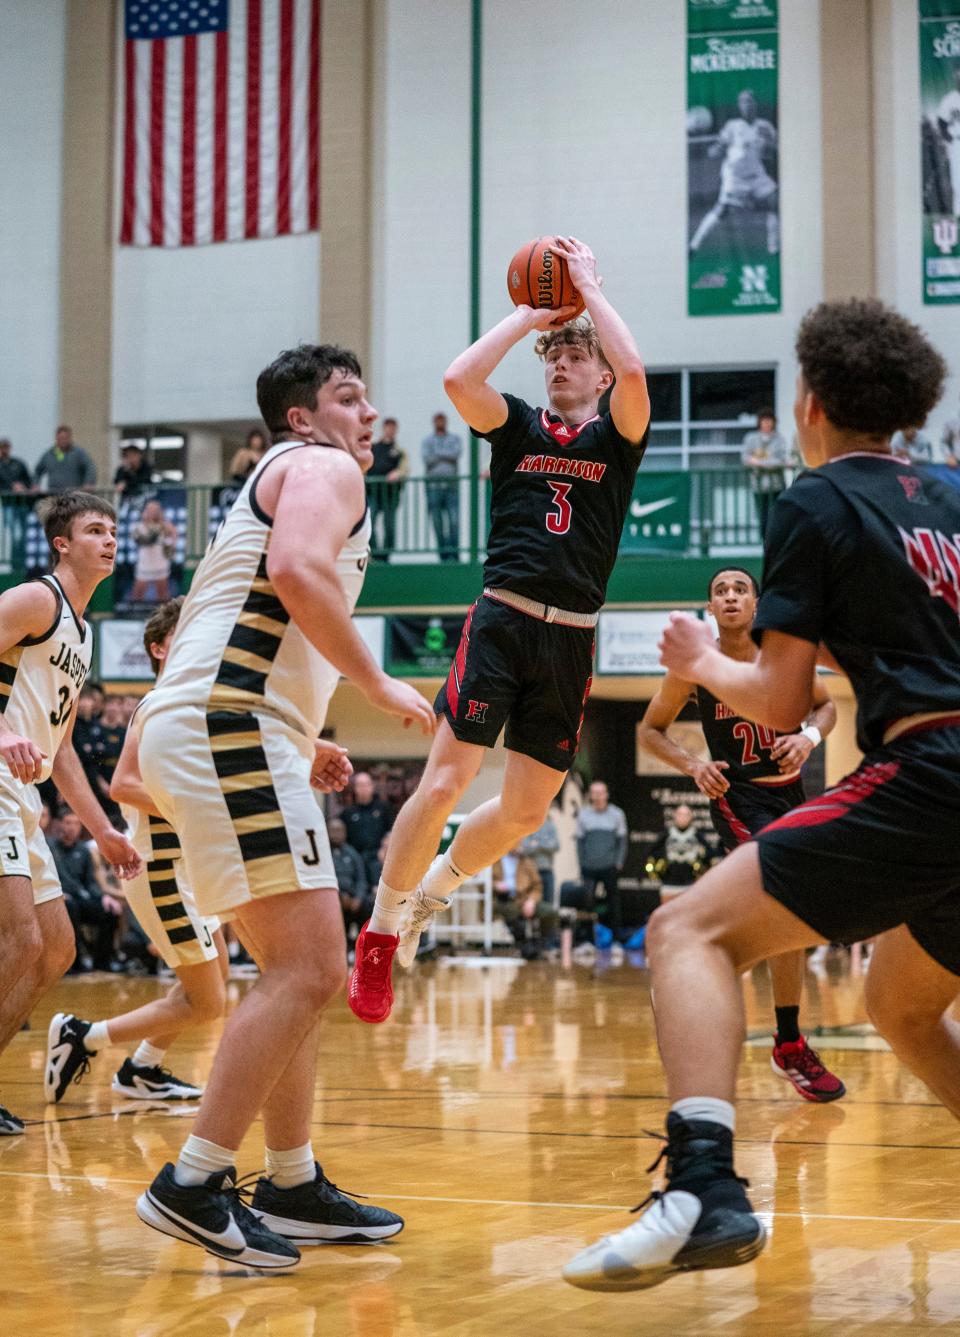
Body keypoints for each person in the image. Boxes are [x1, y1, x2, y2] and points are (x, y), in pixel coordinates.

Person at [563, 297, 957, 1293]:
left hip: (932, 770)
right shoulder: (953, 493)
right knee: (900, 1006)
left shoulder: (814, 500)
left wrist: (702, 657)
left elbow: (783, 701)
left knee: (689, 929)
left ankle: (702, 1186)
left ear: (810, 402)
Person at [132, 343, 435, 1268]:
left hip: (230, 724)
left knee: (290, 967)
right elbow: (300, 571)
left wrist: (305, 738)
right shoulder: (322, 465)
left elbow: (241, 617)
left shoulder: (286, 474)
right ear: (302, 416)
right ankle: (190, 1182)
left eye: (368, 396)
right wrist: (377, 680)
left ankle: (294, 1181)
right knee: (309, 967)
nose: (369, 411)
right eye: (349, 397)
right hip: (230, 725)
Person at [350, 235, 651, 1023]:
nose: (559, 362)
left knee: (524, 811)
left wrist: (588, 285)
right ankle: (379, 934)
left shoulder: (617, 438)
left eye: (575, 353)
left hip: (573, 635)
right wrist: (527, 314)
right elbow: (459, 377)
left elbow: (640, 372)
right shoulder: (516, 426)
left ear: (602, 373)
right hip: (503, 619)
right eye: (552, 354)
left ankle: (430, 897)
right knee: (445, 780)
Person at [637, 566, 844, 1102]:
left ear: (756, 603)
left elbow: (827, 706)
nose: (730, 597)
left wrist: (808, 738)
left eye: (739, 590)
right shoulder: (697, 666)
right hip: (738, 797)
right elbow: (649, 730)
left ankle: (786, 1037)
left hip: (789, 792)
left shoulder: (780, 651)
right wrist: (691, 766)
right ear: (710, 608)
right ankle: (776, 1035)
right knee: (777, 899)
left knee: (792, 918)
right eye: (720, 591)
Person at [44, 597, 226, 1106]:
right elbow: (123, 784)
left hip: (192, 867)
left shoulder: (193, 704)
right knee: (208, 1002)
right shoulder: (159, 702)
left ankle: (141, 1071)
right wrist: (197, 805)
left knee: (212, 984)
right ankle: (84, 1036)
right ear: (159, 648)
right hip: (162, 866)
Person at [0, 491, 140, 1135]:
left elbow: (62, 754)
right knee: (21, 941)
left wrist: (104, 829)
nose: (110, 540)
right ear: (63, 543)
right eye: (94, 530)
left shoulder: (81, 634)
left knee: (55, 949)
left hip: (23, 792)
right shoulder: (36, 599)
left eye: (114, 531)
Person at [689, 89, 779, 259]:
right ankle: (693, 247)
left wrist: (769, 145)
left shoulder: (765, 126)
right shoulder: (733, 126)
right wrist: (714, 151)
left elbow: (773, 150)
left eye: (749, 101)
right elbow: (717, 148)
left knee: (776, 203)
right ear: (739, 106)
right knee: (722, 210)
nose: (746, 105)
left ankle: (774, 248)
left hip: (757, 175)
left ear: (755, 104)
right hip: (735, 176)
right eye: (742, 102)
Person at [47, 809, 124, 971]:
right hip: (59, 900)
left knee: (111, 910)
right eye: (68, 822)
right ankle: (76, 963)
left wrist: (104, 897)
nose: (72, 827)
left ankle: (102, 962)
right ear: (60, 824)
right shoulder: (49, 846)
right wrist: (57, 894)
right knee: (70, 907)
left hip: (81, 898)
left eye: (76, 823)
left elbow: (90, 882)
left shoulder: (83, 850)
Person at [576, 781, 628, 940]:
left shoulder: (617, 814)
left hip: (609, 866)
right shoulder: (583, 815)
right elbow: (579, 843)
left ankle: (616, 939)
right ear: (590, 795)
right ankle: (587, 939)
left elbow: (622, 841)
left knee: (613, 903)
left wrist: (619, 861)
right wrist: (582, 863)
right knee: (587, 902)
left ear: (606, 794)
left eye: (601, 793)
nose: (598, 796)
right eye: (594, 793)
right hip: (589, 867)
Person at [741, 409, 793, 539]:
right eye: (764, 420)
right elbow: (745, 458)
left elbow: (780, 459)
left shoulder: (779, 439)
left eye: (769, 420)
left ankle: (777, 540)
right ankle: (764, 542)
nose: (767, 423)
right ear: (760, 422)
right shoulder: (751, 438)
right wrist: (767, 463)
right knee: (763, 516)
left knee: (777, 515)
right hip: (758, 484)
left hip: (777, 484)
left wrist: (759, 462)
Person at [339, 771, 394, 884]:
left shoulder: (383, 808)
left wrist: (384, 850)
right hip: (355, 857)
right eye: (360, 785)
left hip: (378, 857)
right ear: (355, 788)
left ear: (372, 786)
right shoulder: (348, 812)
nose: (364, 788)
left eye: (366, 784)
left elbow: (391, 832)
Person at [422, 412, 462, 562]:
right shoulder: (427, 441)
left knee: (454, 520)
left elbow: (456, 454)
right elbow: (427, 458)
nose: (440, 423)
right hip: (433, 487)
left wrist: (437, 454)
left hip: (451, 486)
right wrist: (446, 455)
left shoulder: (454, 439)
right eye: (437, 420)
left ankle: (454, 553)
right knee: (437, 522)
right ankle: (443, 555)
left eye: (442, 420)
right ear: (434, 422)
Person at [647, 803, 710, 898]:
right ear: (675, 816)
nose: (682, 817)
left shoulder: (697, 836)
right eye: (680, 814)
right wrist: (657, 871)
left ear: (691, 816)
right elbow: (651, 855)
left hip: (691, 884)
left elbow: (710, 857)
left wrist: (700, 870)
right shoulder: (667, 835)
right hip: (669, 884)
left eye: (686, 814)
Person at [367, 418, 407, 560]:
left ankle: (385, 555)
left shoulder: (399, 451)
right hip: (373, 492)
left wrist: (397, 473)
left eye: (393, 428)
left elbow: (405, 468)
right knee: (369, 522)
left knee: (389, 526)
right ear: (383, 428)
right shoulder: (372, 447)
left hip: (390, 495)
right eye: (388, 427)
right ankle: (375, 553)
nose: (390, 430)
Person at [329, 818, 370, 942]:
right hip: (334, 899)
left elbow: (361, 880)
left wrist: (358, 898)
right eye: (334, 830)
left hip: (353, 899)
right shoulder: (324, 854)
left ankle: (363, 947)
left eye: (340, 830)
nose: (337, 833)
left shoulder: (352, 854)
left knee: (368, 906)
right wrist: (340, 897)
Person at [131, 498, 178, 602]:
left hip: (160, 561)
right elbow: (137, 539)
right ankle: (133, 612)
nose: (152, 512)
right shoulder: (139, 526)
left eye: (155, 509)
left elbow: (174, 535)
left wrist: (170, 546)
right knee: (138, 592)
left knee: (162, 591)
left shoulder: (165, 525)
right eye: (150, 509)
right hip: (145, 561)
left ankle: (165, 614)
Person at [33, 426, 97, 492]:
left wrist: (89, 483)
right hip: (54, 494)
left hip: (74, 495)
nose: (63, 440)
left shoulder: (79, 453)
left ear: (70, 438)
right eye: (60, 438)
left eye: (65, 438)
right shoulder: (49, 455)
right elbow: (38, 471)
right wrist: (35, 485)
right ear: (56, 438)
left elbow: (90, 467)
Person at [518, 810, 560, 907]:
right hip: (530, 874)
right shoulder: (528, 826)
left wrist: (537, 844)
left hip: (547, 870)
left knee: (548, 905)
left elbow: (556, 845)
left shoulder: (550, 826)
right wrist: (544, 844)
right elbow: (523, 848)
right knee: (529, 905)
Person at [937, 63, 960, 216]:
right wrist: (949, 139)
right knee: (958, 182)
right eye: (958, 74)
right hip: (958, 142)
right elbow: (941, 122)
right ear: (955, 76)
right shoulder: (949, 99)